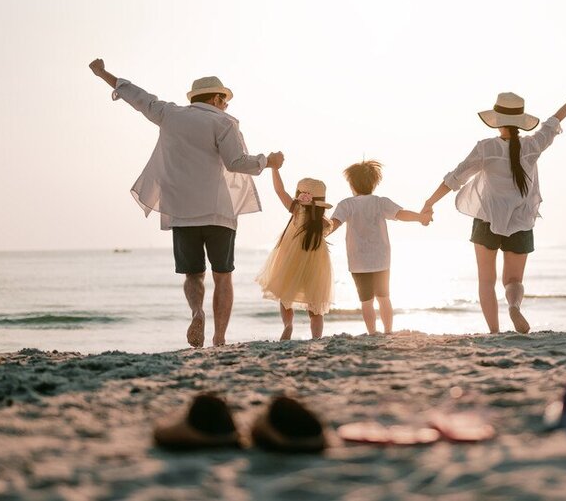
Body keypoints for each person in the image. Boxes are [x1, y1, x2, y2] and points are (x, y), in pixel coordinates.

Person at [88, 59, 283, 348]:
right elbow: (236, 163)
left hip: (181, 211)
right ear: (217, 98)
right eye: (225, 101)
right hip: (218, 212)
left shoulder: (169, 114)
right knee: (223, 275)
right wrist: (267, 161)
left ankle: (196, 312)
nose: (226, 106)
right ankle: (219, 338)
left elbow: (138, 97)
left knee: (193, 274)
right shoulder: (224, 122)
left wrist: (104, 74)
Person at [422, 82, 566, 334]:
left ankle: (495, 332)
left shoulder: (486, 148)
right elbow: (553, 122)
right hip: (521, 220)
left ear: (497, 120)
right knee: (513, 280)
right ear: (520, 121)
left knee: (486, 282)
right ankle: (514, 306)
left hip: (487, 219)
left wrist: (429, 203)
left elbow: (455, 178)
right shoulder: (533, 145)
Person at [330, 160, 432, 335]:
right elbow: (402, 214)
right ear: (374, 183)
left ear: (352, 184)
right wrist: (421, 217)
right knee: (384, 298)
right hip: (381, 260)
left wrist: (318, 233)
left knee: (366, 301)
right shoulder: (380, 202)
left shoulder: (346, 204)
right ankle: (388, 331)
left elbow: (333, 224)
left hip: (358, 261)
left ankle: (371, 332)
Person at [256, 171, 335, 340]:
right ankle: (316, 338)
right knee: (316, 305)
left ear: (300, 197)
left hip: (292, 258)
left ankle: (288, 325)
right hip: (316, 262)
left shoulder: (297, 210)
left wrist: (274, 169)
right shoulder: (323, 222)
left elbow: (279, 190)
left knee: (285, 295)